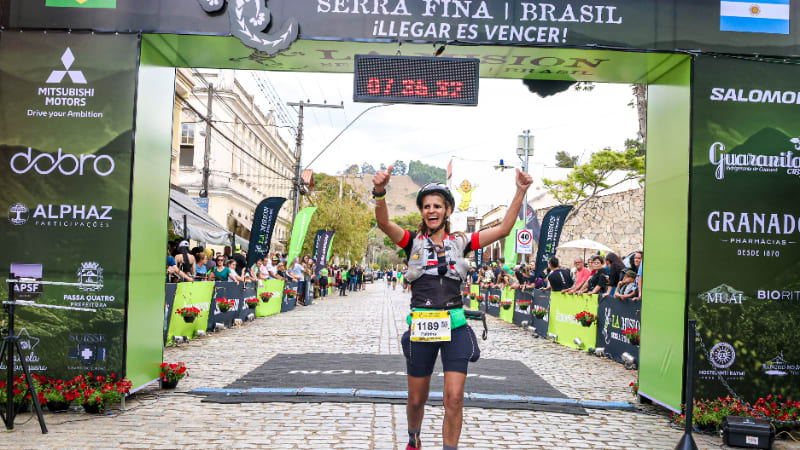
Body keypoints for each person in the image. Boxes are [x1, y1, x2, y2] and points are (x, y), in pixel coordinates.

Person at [373, 164, 532, 450]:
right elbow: (384, 223)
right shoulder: (412, 242)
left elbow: (504, 228)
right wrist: (380, 192)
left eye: (437, 206)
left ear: (448, 211)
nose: (431, 211)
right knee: (416, 399)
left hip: (455, 326)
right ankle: (413, 436)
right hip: (422, 327)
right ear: (422, 211)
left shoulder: (462, 242)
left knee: (454, 398)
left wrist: (520, 190)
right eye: (426, 206)